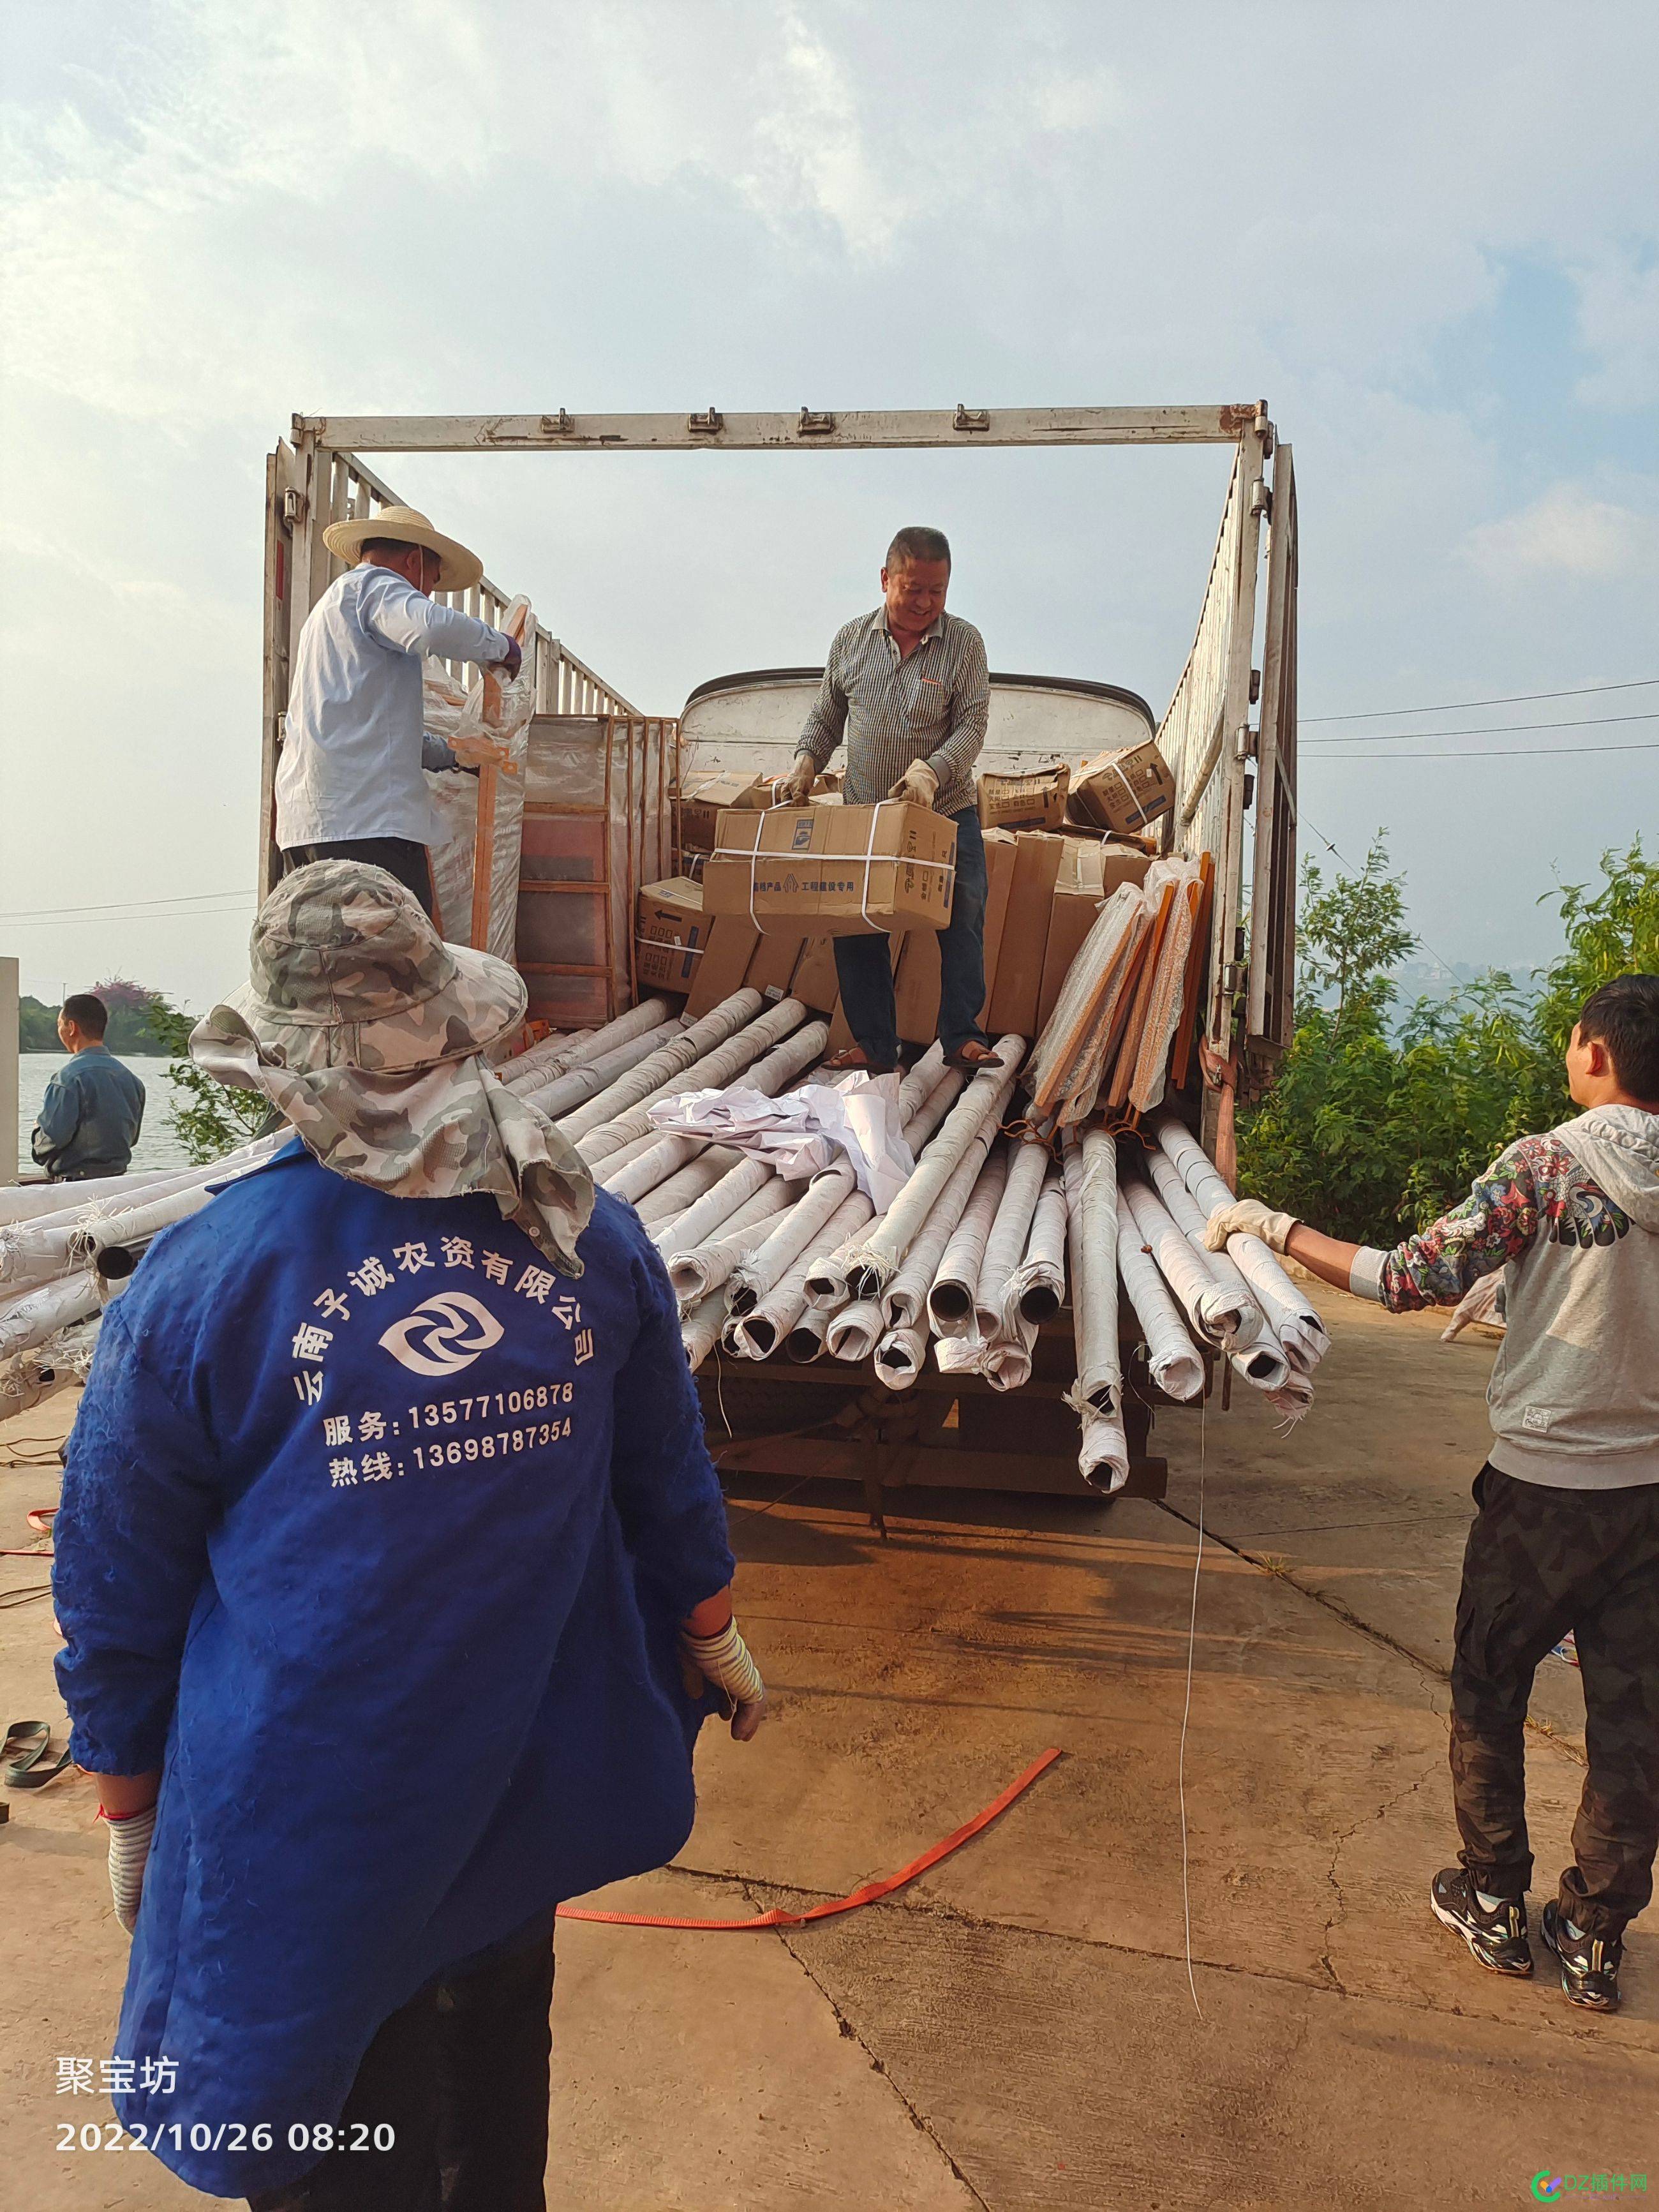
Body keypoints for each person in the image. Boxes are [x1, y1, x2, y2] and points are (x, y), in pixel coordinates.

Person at [51, 862, 768, 2208]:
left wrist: (127, 1788)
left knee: (327, 2121)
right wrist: (709, 1625)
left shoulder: (205, 1280)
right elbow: (666, 1482)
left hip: (306, 1818)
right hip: (517, 1784)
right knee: (490, 2089)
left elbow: (116, 1579)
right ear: (445, 1029)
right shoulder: (581, 1232)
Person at [1205, 973, 1659, 2014]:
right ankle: (1593, 1937)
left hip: (1543, 1489)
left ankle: (1494, 1899)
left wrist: (1272, 1231)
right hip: (1650, 1499)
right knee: (1634, 1726)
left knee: (1489, 1691)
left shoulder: (1544, 1165)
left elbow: (1409, 1279)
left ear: (1596, 1054)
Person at [783, 525, 997, 1075]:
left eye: (938, 591)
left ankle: (963, 1036)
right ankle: (877, 1046)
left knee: (965, 911)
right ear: (885, 579)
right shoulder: (850, 641)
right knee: (857, 927)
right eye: (912, 588)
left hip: (944, 812)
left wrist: (932, 771)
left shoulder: (965, 643)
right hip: (866, 816)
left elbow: (972, 725)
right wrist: (808, 760)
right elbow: (828, 714)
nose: (925, 602)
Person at [273, 505, 524, 919]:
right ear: (414, 562)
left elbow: (371, 733)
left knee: (331, 969)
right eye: (433, 583)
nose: (427, 595)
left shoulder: (330, 613)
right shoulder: (377, 586)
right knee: (400, 967)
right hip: (367, 828)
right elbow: (430, 627)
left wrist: (453, 753)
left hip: (310, 828)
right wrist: (500, 648)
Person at [30, 991, 145, 1181]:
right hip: (118, 1183)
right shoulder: (132, 1080)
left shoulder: (67, 1079)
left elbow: (50, 1142)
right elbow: (130, 1139)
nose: (59, 1031)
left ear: (72, 1028)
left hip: (74, 1185)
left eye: (60, 1025)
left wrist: (37, 1131)